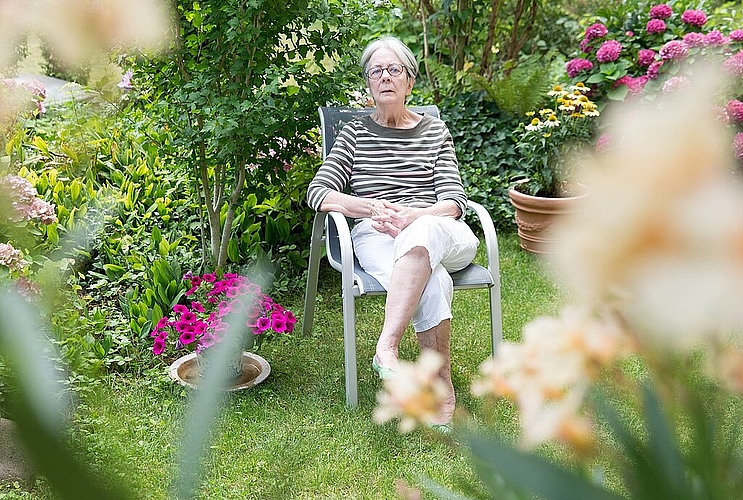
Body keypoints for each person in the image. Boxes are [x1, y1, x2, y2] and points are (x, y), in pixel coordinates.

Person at [306, 36, 478, 429]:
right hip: (378, 234)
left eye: (393, 69)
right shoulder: (354, 134)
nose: (384, 77)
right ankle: (441, 385)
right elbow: (319, 191)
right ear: (368, 84)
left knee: (425, 232)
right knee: (433, 284)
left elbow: (454, 201)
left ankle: (387, 345)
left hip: (443, 230)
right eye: (375, 71)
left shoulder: (434, 131)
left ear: (409, 80)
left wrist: (414, 216)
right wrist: (371, 208)